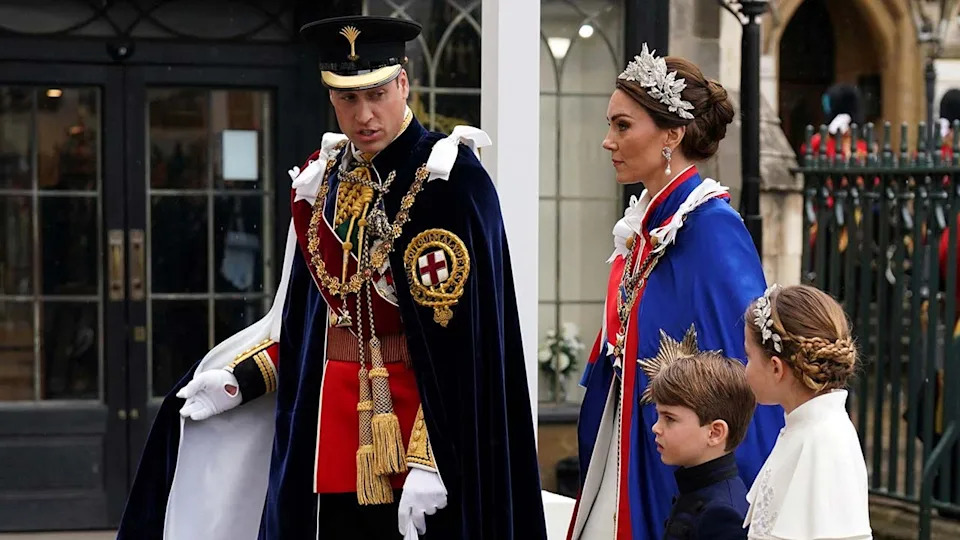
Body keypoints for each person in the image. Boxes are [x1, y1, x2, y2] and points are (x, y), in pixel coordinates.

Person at [117, 15, 546, 540]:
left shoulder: (449, 181)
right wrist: (243, 381)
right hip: (326, 432)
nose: (363, 115)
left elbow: (469, 348)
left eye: (376, 94)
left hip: (421, 433)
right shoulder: (323, 181)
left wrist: (432, 458)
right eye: (347, 99)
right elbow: (308, 322)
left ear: (403, 83)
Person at [566, 44, 783, 540]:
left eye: (623, 126)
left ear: (672, 135)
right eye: (610, 124)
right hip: (631, 446)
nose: (607, 141)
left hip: (677, 471)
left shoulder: (710, 227)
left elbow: (742, 370)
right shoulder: (649, 223)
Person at [742, 284, 871, 539]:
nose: (745, 368)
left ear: (776, 368)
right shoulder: (804, 427)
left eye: (749, 356)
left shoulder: (822, 441)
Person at [647, 343, 756, 540]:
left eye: (669, 418)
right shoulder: (695, 489)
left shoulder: (722, 515)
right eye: (658, 416)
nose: (656, 427)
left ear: (715, 433)